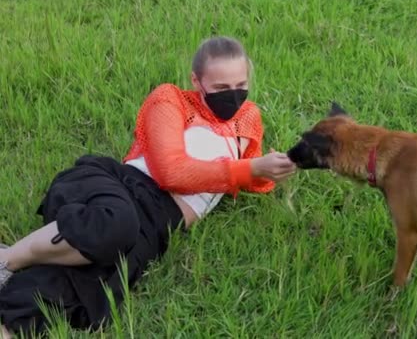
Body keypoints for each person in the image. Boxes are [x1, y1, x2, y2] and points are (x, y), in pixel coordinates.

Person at [0, 36, 296, 338]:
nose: (233, 96)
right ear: (197, 80)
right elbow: (171, 172)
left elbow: (248, 179)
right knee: (114, 223)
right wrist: (251, 168)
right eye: (220, 88)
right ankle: (6, 259)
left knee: (90, 292)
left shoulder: (248, 117)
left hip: (156, 224)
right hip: (118, 185)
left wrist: (275, 168)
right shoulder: (170, 99)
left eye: (241, 86)